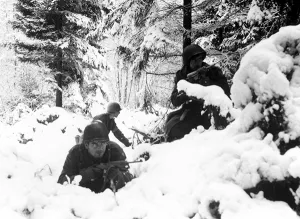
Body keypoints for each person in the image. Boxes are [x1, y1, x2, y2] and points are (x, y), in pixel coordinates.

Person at [164, 44, 231, 142]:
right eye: (194, 60)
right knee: (173, 129)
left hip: (211, 111)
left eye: (200, 59)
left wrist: (206, 82)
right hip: (192, 112)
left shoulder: (213, 71)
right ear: (188, 62)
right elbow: (175, 100)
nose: (198, 63)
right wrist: (187, 92)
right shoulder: (182, 75)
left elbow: (225, 91)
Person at [58, 121, 133, 193]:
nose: (100, 148)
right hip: (82, 197)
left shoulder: (114, 150)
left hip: (110, 198)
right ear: (86, 145)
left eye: (103, 143)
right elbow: (62, 181)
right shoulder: (75, 153)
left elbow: (130, 178)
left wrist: (116, 174)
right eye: (95, 144)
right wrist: (89, 174)